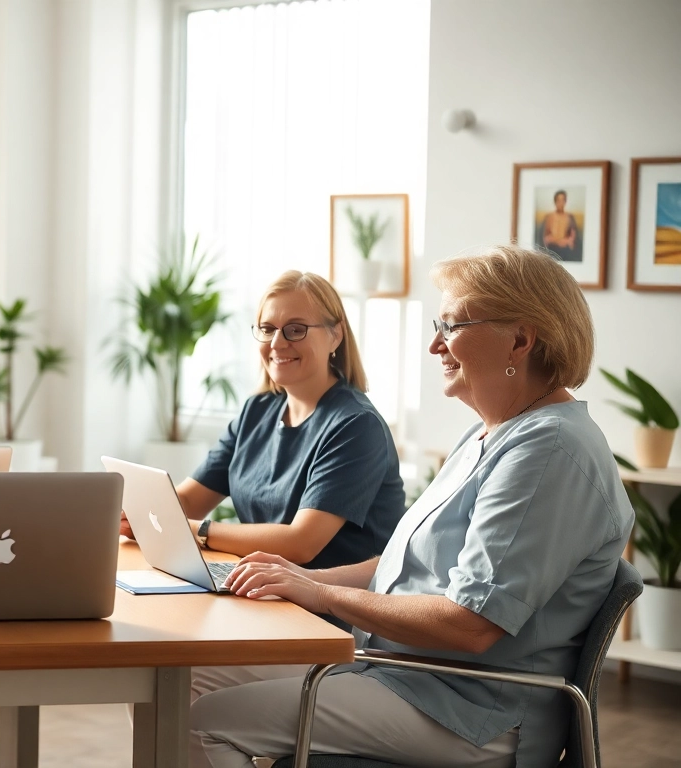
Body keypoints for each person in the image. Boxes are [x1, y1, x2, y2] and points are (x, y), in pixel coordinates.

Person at [189, 245, 633, 768]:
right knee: (182, 678)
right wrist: (297, 578)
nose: (434, 345)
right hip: (396, 669)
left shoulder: (550, 452)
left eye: (452, 325)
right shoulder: (488, 435)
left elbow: (470, 624)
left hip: (467, 708)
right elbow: (404, 565)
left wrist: (321, 592)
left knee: (201, 724)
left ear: (520, 339)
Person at [123, 271, 404, 577]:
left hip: (331, 612)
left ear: (335, 334)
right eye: (267, 329)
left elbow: (301, 543)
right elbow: (191, 499)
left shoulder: (356, 426)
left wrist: (196, 530)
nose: (277, 343)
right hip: (262, 587)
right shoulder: (256, 411)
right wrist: (141, 515)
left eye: (295, 330)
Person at [540, 189, 581, 262]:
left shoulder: (570, 217)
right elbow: (545, 238)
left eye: (563, 200)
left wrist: (567, 242)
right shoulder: (549, 217)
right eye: (558, 200)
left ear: (565, 202)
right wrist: (557, 241)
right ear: (555, 201)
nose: (560, 203)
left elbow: (572, 239)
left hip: (565, 250)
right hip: (551, 249)